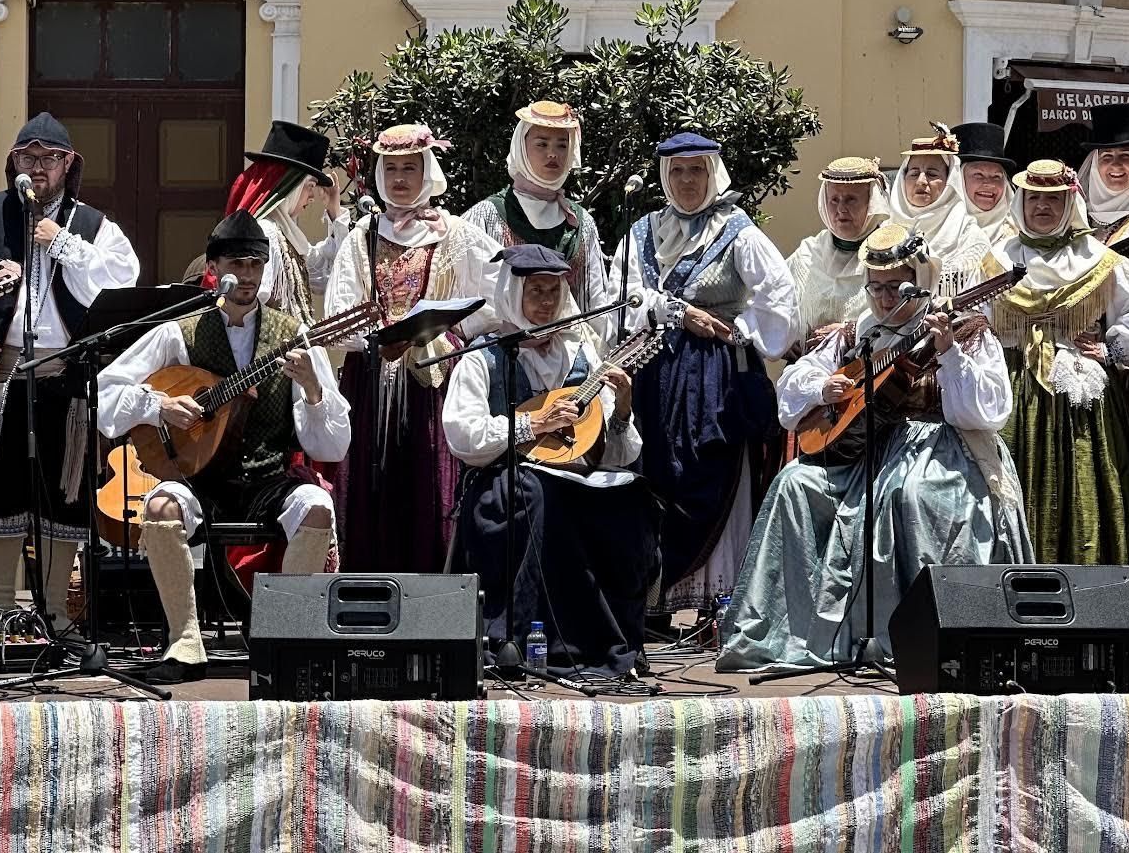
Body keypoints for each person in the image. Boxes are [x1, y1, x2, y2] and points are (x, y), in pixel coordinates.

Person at [716, 223, 1031, 670]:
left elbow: (987, 411)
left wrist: (947, 354)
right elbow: (793, 389)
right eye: (876, 288)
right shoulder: (859, 332)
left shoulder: (966, 331)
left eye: (896, 288)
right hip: (864, 452)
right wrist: (826, 389)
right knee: (794, 482)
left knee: (910, 494)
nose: (885, 300)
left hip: (941, 445)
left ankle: (918, 637)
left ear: (921, 284)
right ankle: (796, 630)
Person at [98, 212, 350, 683]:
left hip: (268, 477)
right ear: (214, 267)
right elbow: (106, 393)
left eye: (257, 264)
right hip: (201, 478)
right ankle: (185, 641)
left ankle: (283, 637)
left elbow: (332, 445)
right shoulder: (181, 332)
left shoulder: (292, 336)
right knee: (161, 506)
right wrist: (158, 408)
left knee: (317, 507)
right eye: (238, 263)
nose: (249, 275)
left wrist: (315, 390)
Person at [0, 113, 139, 627]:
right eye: (27, 158)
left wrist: (61, 243)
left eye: (47, 159)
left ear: (69, 164)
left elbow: (122, 283)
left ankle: (55, 618)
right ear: (13, 164)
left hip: (64, 379)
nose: (37, 168)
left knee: (62, 496)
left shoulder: (92, 227)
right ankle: (0, 609)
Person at [443, 244, 659, 675]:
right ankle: (526, 636)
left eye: (553, 292)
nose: (546, 302)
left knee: (633, 496)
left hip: (574, 479)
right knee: (542, 494)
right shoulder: (484, 355)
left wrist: (622, 411)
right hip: (501, 484)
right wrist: (532, 424)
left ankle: (610, 638)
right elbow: (462, 436)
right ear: (512, 293)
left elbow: (615, 452)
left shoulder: (582, 355)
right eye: (535, 291)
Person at [614, 132, 796, 613]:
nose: (687, 180)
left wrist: (737, 330)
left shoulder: (736, 230)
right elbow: (620, 298)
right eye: (677, 171)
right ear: (664, 176)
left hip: (715, 378)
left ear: (712, 174)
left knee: (711, 474)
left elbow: (780, 296)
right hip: (653, 373)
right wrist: (675, 311)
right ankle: (660, 603)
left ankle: (719, 604)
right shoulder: (641, 232)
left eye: (696, 170)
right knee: (654, 476)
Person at [990, 160, 1129, 601]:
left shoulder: (1098, 260)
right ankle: (1010, 594)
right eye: (1034, 198)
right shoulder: (996, 258)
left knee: (1086, 479)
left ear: (1070, 202)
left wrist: (1112, 351)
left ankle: (1094, 596)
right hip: (1013, 386)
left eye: (1053, 198)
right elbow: (973, 317)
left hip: (1077, 389)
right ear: (1021, 202)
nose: (1043, 207)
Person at [325, 123, 499, 571]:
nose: (401, 178)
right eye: (393, 168)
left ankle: (432, 601)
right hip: (370, 380)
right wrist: (373, 340)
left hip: (433, 377)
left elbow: (496, 301)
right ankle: (367, 593)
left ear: (428, 172)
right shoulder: (362, 233)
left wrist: (448, 335)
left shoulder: (456, 233)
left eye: (411, 168)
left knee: (429, 484)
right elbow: (338, 307)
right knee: (371, 484)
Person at [462, 101, 612, 326]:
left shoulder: (582, 223)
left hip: (569, 353)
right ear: (521, 147)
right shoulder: (485, 217)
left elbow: (595, 304)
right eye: (542, 144)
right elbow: (469, 302)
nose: (553, 154)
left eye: (562, 146)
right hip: (503, 351)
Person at [218, 120, 348, 327]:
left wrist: (335, 212)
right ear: (291, 188)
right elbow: (253, 300)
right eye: (309, 186)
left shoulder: (285, 234)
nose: (312, 197)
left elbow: (326, 275)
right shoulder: (266, 231)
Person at [782, 156, 886, 357]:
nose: (841, 209)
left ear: (872, 202)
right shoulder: (808, 253)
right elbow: (770, 304)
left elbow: (906, 316)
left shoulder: (892, 255)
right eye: (834, 200)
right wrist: (782, 340)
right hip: (809, 374)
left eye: (851, 199)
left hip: (871, 372)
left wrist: (850, 332)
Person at [883, 123, 994, 295]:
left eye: (932, 174)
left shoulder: (970, 238)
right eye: (913, 173)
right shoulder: (884, 233)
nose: (921, 181)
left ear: (950, 181)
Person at [1076, 104, 1129, 267]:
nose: (1115, 165)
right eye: (1107, 156)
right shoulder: (1076, 218)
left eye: (1126, 156)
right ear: (1094, 165)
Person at [955, 122, 1019, 247]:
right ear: (959, 180)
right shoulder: (940, 230)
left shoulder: (1020, 233)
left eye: (997, 177)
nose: (989, 184)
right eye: (978, 175)